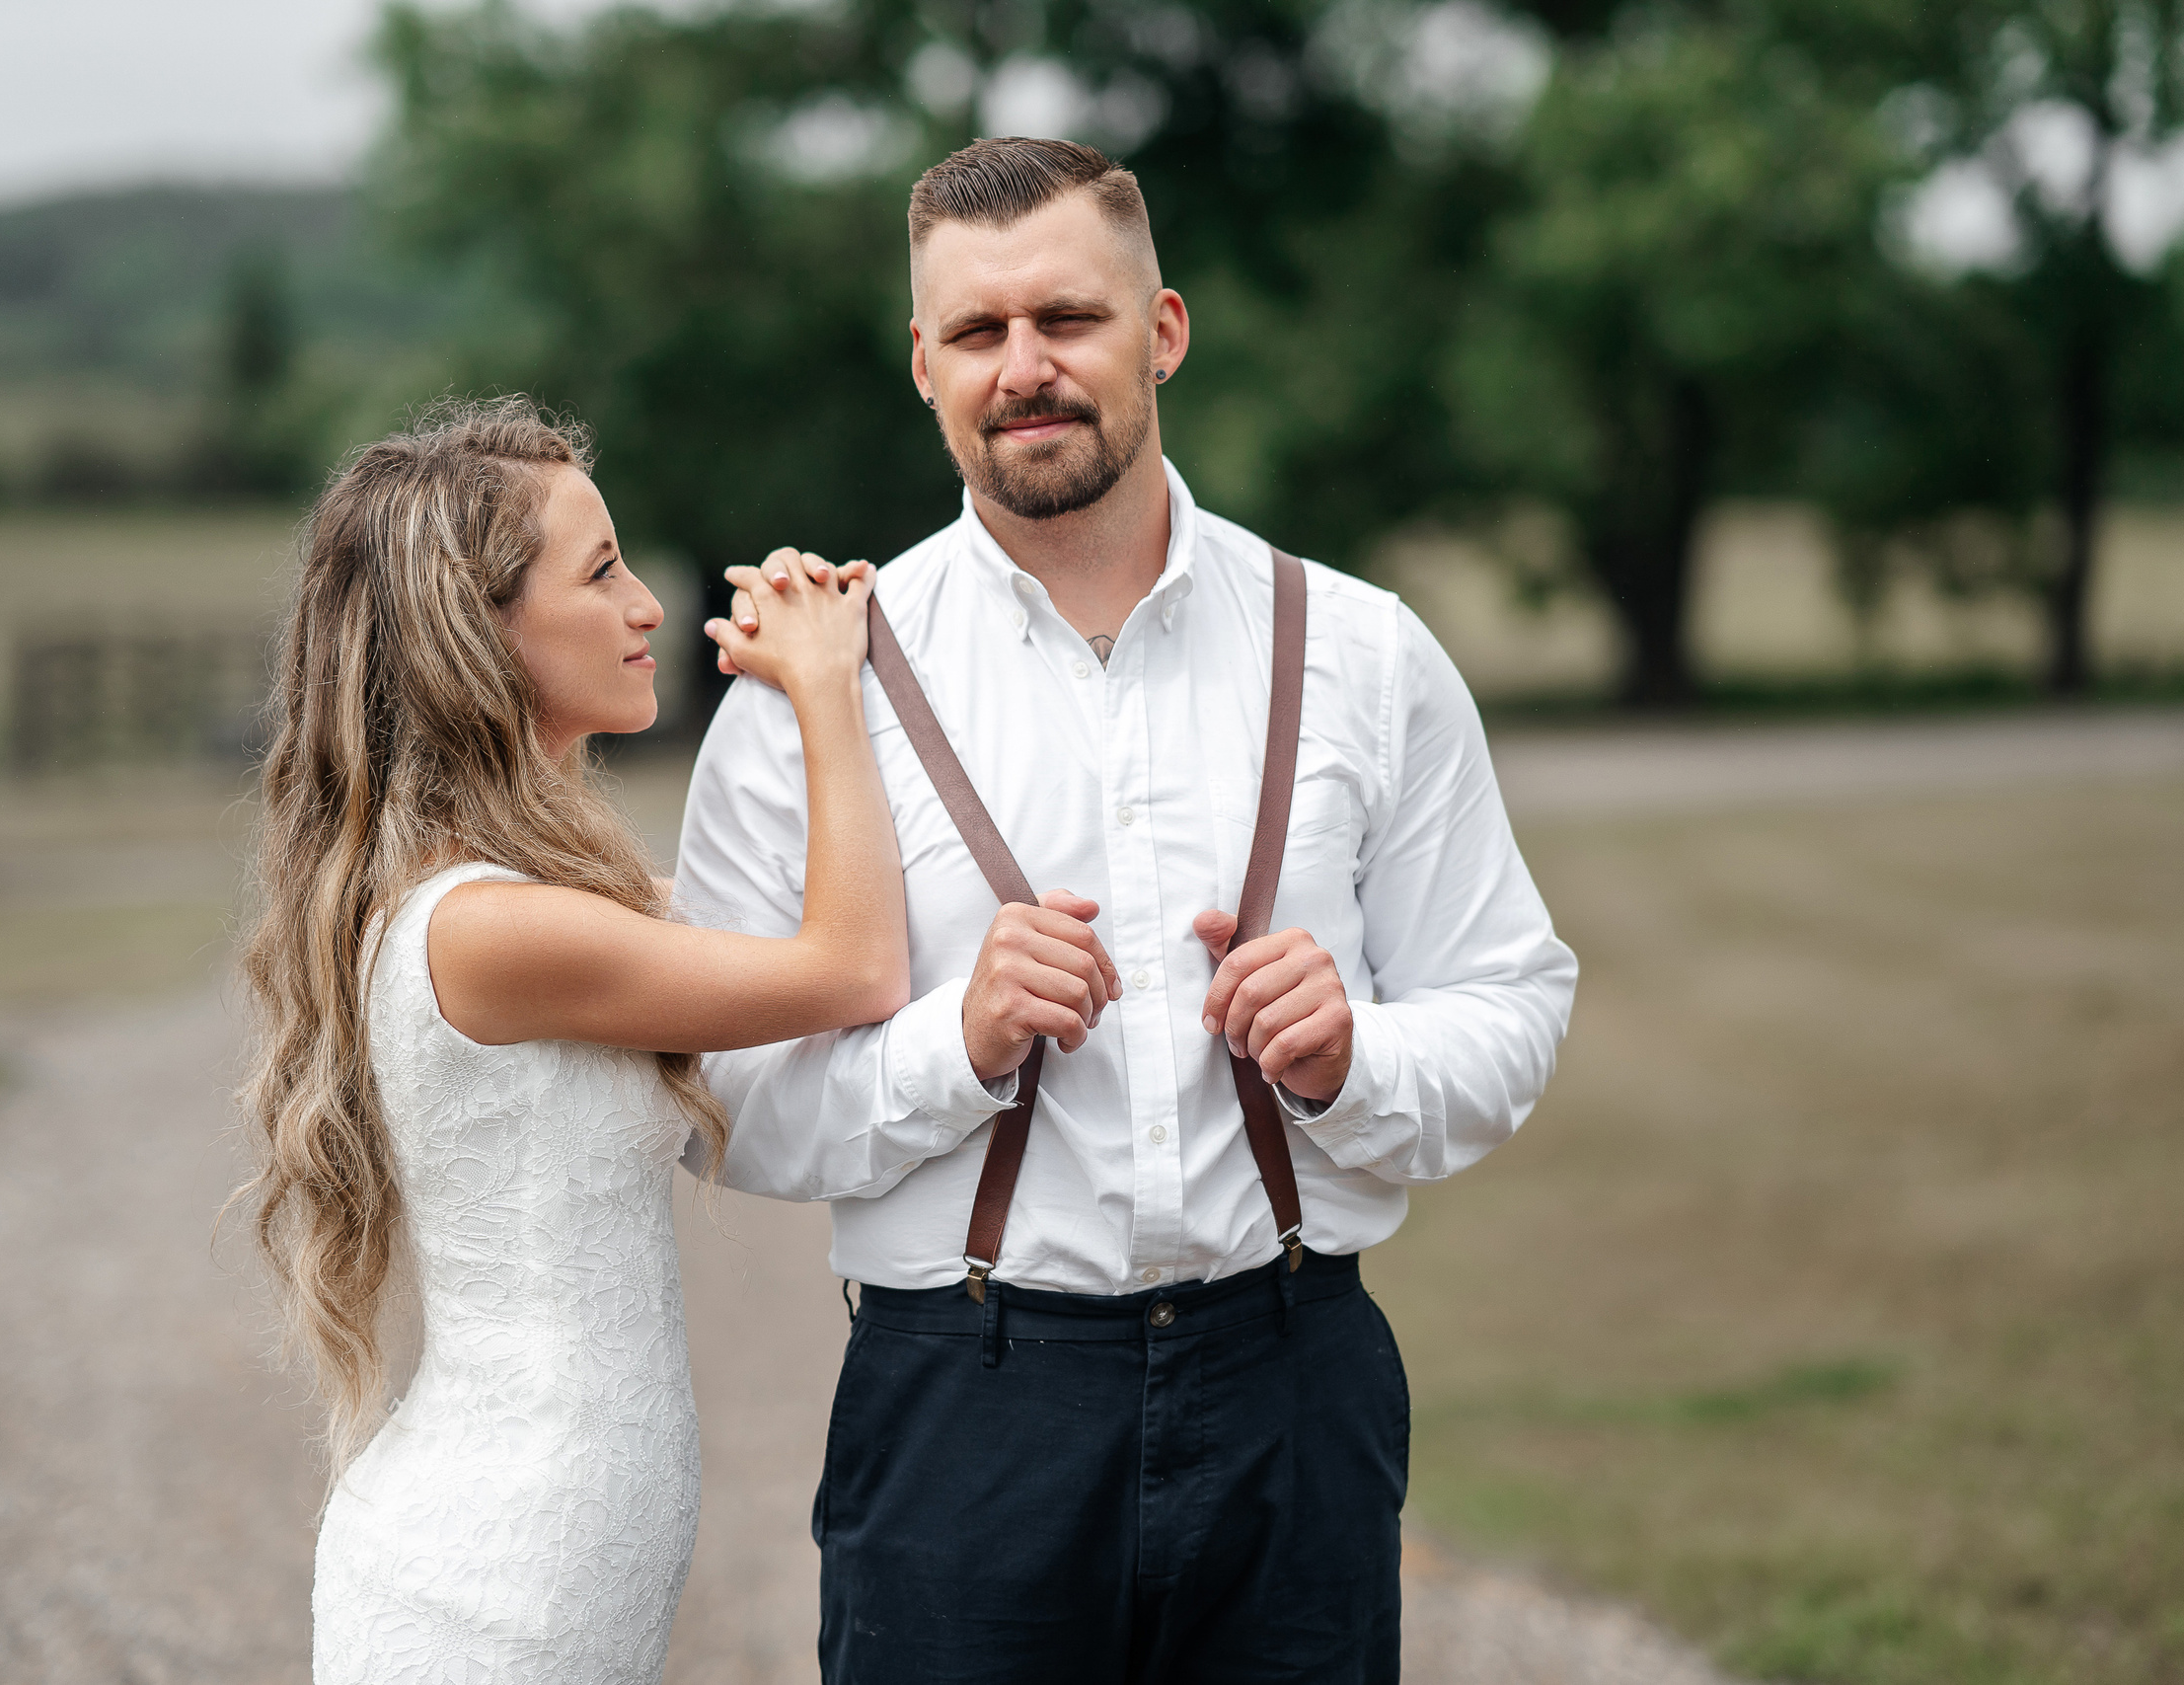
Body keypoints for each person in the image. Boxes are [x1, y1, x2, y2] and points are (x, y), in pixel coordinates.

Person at [676, 138, 1579, 1683]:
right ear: (923, 365)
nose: (1024, 368)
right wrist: (948, 1048)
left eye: (1067, 320)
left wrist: (1354, 1059)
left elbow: (1514, 1002)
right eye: (976, 333)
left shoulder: (1362, 651)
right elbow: (722, 1107)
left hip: (1297, 1385)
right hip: (966, 1407)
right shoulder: (814, 687)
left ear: (1161, 330)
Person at [236, 397, 901, 1684]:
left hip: (535, 1566)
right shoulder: (491, 932)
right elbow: (852, 965)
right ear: (475, 637)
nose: (650, 605)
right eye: (600, 572)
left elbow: (768, 936)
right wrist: (824, 692)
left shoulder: (516, 905)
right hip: (496, 1589)